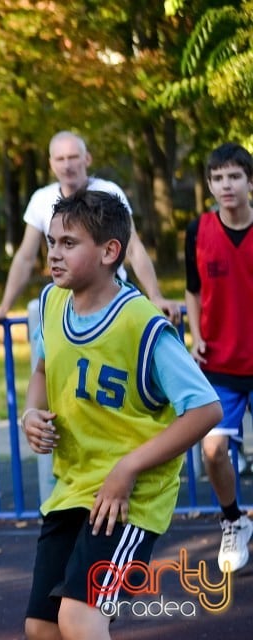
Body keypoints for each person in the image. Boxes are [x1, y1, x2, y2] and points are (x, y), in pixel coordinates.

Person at [20, 189, 221, 639]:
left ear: (111, 251)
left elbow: (206, 408)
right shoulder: (53, 303)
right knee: (41, 627)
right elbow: (43, 366)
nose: (53, 254)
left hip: (129, 499)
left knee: (79, 616)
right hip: (74, 487)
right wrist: (32, 413)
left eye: (69, 243)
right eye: (51, 242)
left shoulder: (141, 323)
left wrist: (128, 467)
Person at [0, 131, 180, 329]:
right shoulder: (41, 200)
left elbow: (133, 248)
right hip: (69, 298)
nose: (67, 165)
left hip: (112, 295)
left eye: (73, 157)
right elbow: (25, 257)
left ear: (87, 159)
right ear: (51, 163)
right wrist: (4, 306)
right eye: (60, 158)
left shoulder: (109, 192)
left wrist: (155, 296)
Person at [184, 142, 253, 573]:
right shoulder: (198, 230)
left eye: (234, 176)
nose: (225, 185)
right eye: (217, 178)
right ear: (210, 185)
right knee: (212, 452)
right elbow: (193, 290)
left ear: (250, 181)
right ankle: (233, 522)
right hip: (220, 365)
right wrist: (195, 335)